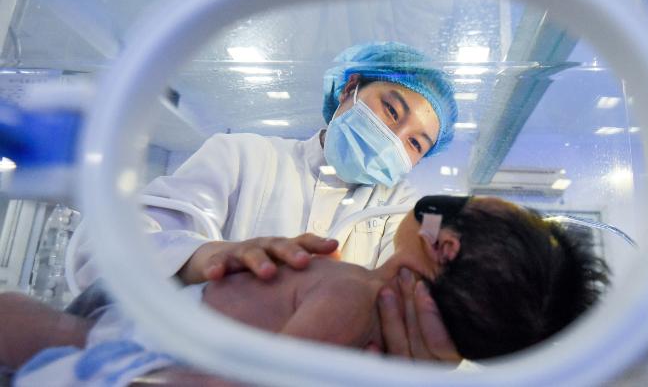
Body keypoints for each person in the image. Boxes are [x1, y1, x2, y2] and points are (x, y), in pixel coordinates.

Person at [70, 41, 461, 361]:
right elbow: (102, 247)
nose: (394, 139)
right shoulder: (243, 156)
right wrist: (206, 257)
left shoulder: (406, 213)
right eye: (391, 110)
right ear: (349, 89)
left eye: (415, 143)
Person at [4, 196, 610, 386]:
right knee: (57, 332)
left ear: (444, 245)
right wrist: (204, 255)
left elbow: (260, 374)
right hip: (148, 322)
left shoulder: (353, 297)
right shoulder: (365, 303)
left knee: (58, 335)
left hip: (154, 355)